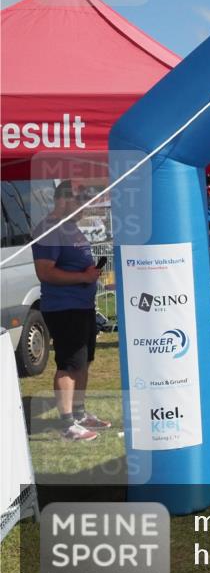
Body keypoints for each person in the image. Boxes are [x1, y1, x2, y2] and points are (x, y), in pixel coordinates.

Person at [31, 183, 110, 441]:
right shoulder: (49, 229)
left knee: (83, 361)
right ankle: (67, 423)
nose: (85, 209)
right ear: (63, 199)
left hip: (82, 306)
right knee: (68, 363)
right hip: (63, 307)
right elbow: (44, 271)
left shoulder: (70, 227)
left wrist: (89, 274)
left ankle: (79, 413)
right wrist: (81, 276)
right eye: (81, 203)